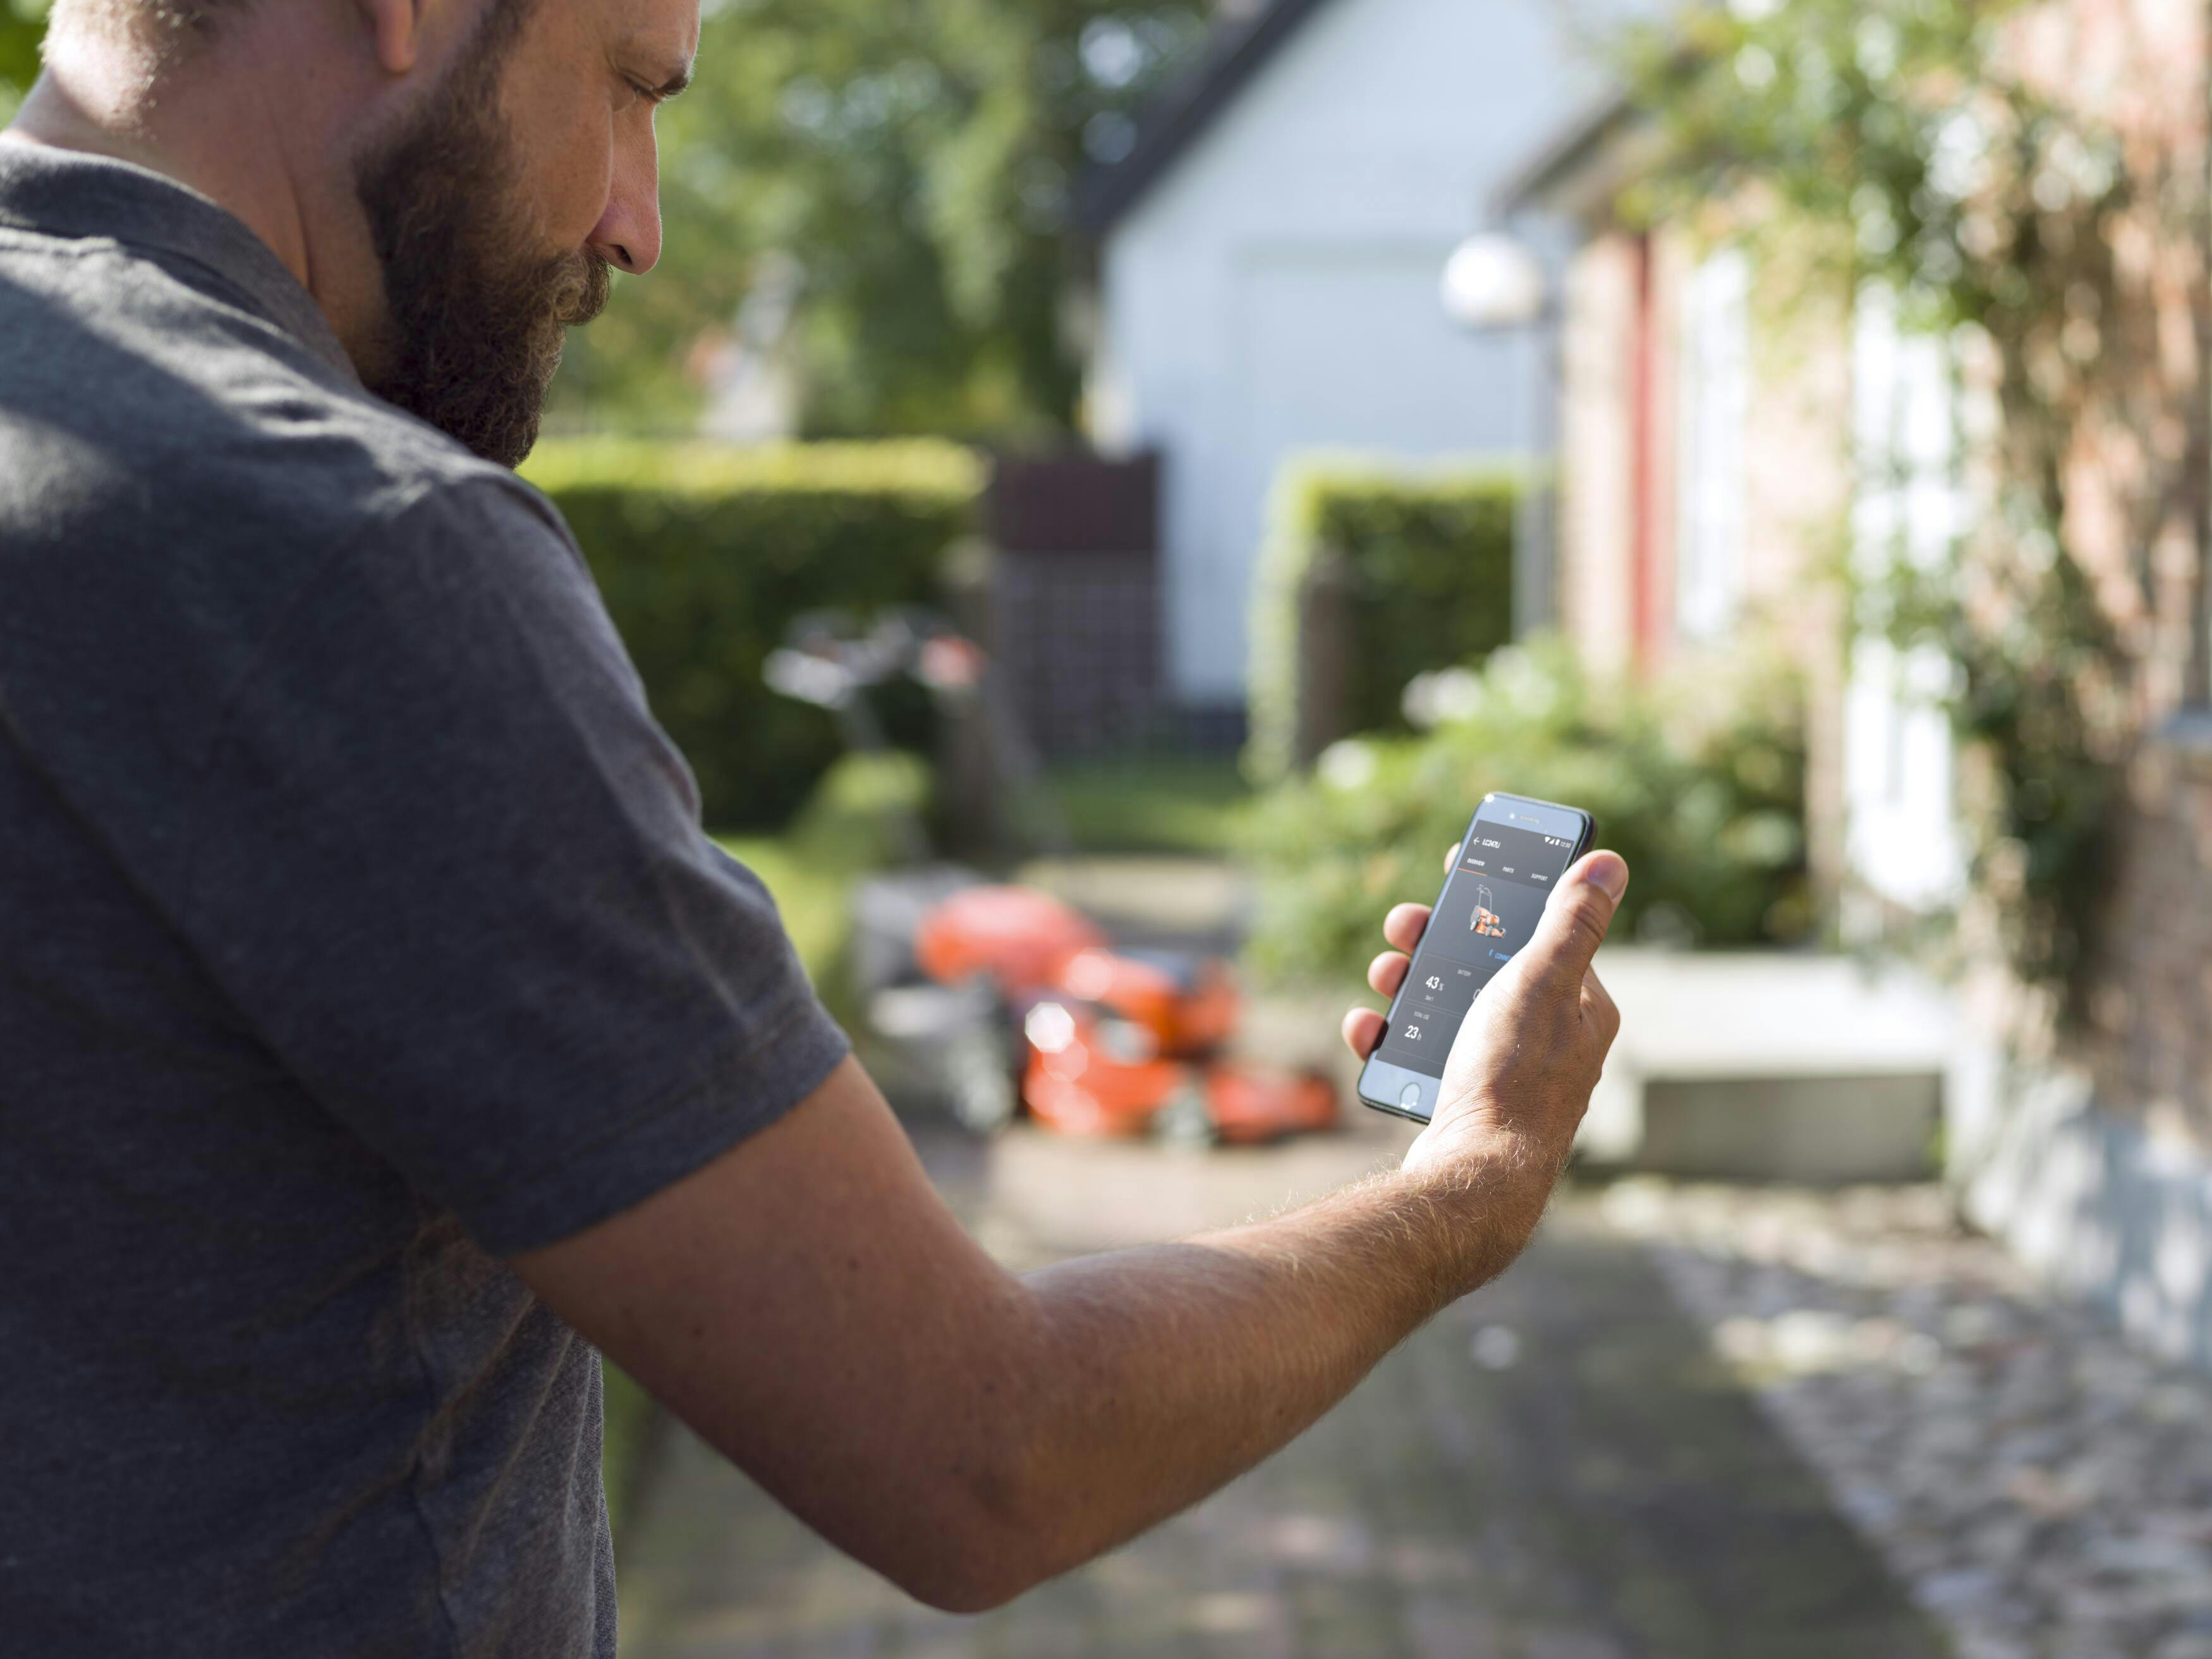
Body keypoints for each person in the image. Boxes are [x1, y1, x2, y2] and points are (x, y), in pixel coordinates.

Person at [0, 1, 1628, 1653]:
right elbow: (985, 1451)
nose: (637, 221)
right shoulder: (344, 553)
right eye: (628, 89)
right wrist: (1462, 1190)